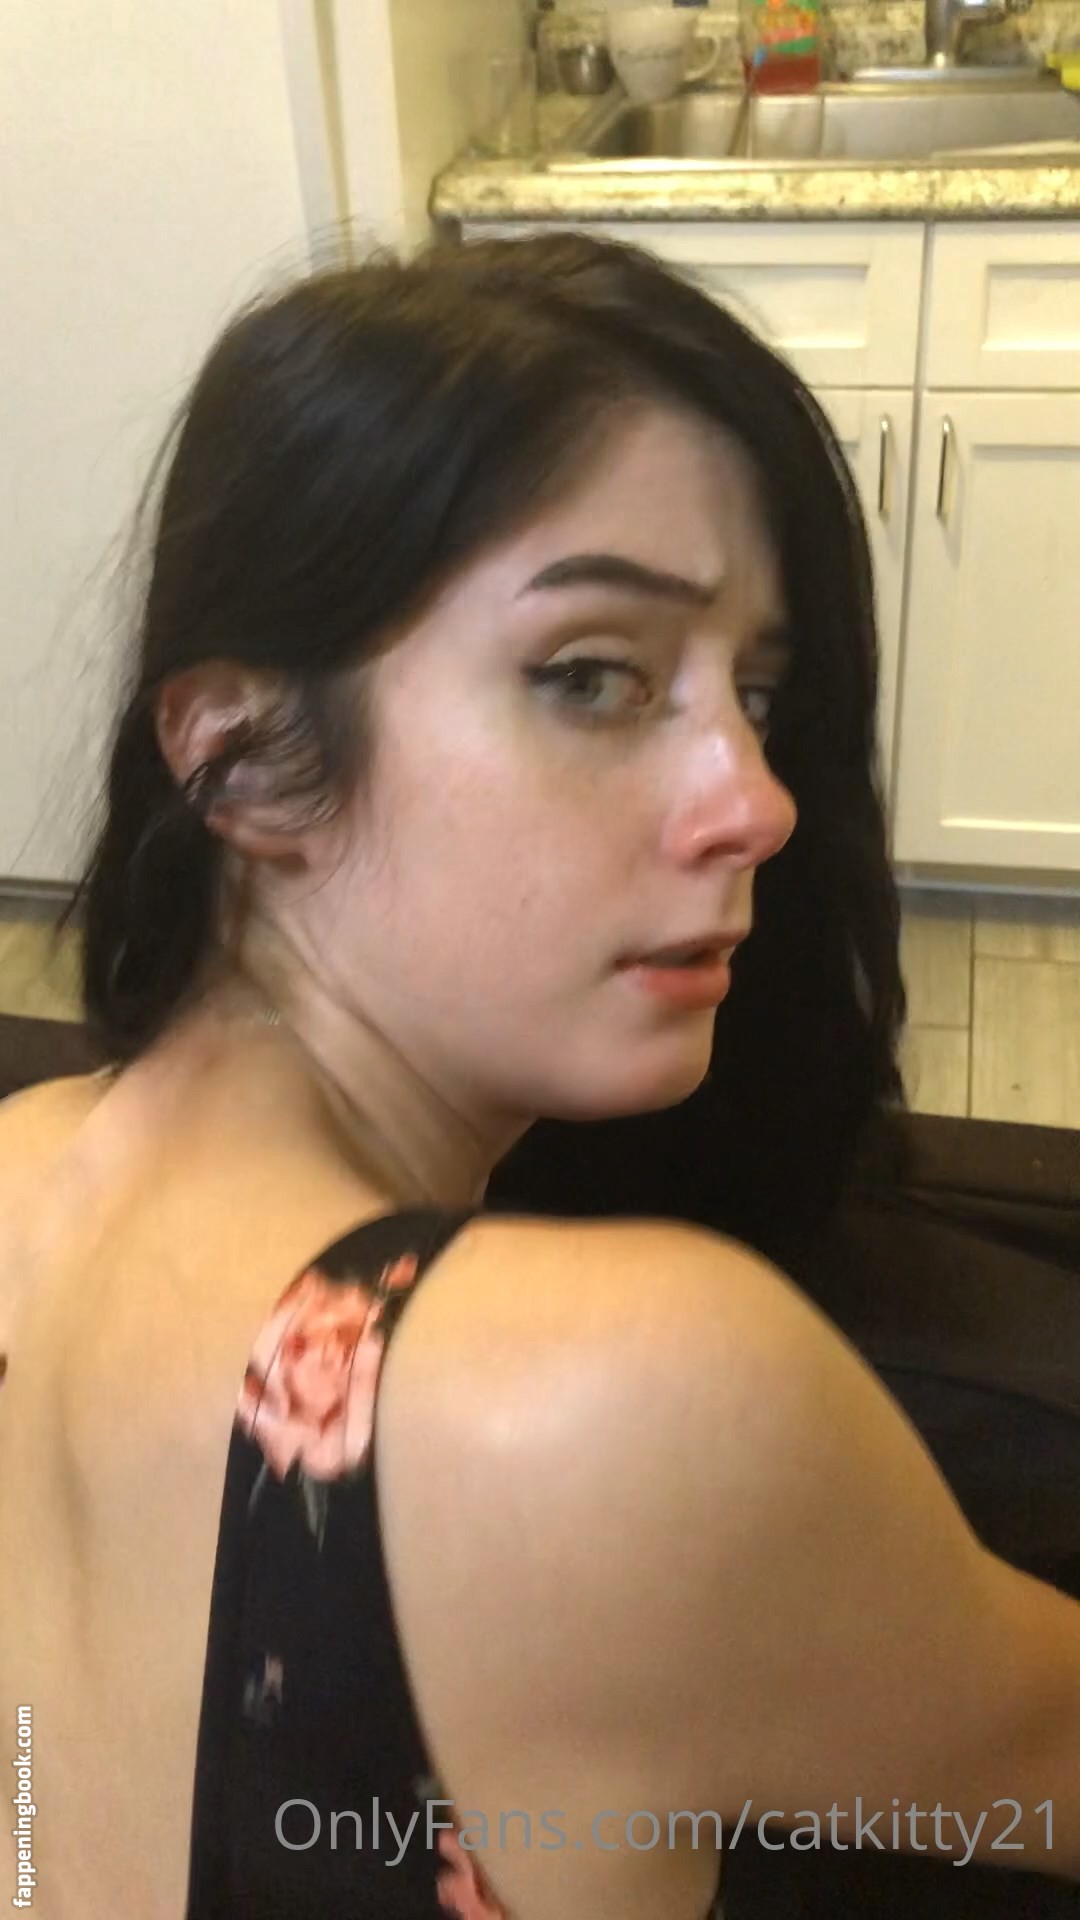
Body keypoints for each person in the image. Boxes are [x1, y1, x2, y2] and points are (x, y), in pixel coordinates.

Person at [1, 232, 1077, 1920]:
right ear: (243, 758)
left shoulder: (23, 1169)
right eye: (592, 677)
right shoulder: (608, 1401)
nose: (759, 801)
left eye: (759, 695)